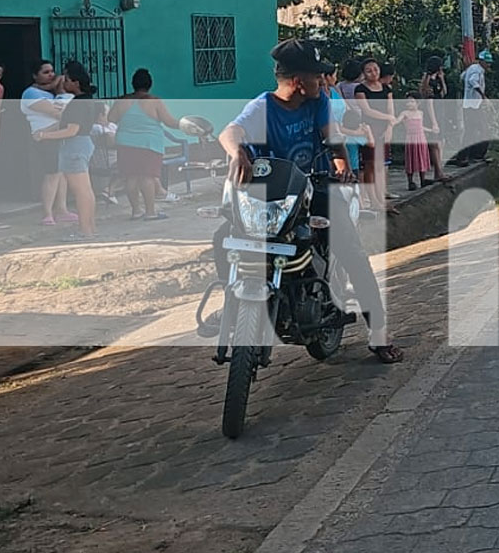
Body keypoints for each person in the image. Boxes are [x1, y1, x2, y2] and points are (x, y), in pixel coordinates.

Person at [215, 39, 403, 364]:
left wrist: (341, 160)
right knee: (222, 238)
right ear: (300, 82)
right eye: (317, 76)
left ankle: (379, 333)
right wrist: (237, 153)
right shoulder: (263, 106)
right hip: (269, 197)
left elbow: (331, 138)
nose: (323, 81)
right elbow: (229, 132)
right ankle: (232, 303)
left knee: (352, 251)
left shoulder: (318, 102)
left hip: (313, 189)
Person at [36, 62, 104, 239]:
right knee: (86, 189)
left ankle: (84, 230)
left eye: (66, 79)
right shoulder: (88, 100)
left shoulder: (77, 103)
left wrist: (44, 135)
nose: (62, 82)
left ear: (75, 82)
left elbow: (71, 130)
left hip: (74, 146)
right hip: (83, 144)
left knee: (80, 191)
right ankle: (91, 227)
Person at [113, 68, 180, 221]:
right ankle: (151, 212)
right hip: (148, 144)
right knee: (148, 177)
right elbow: (169, 121)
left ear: (133, 84)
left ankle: (136, 211)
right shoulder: (153, 101)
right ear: (150, 84)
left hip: (125, 143)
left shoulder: (122, 101)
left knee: (131, 177)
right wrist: (186, 125)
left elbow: (111, 118)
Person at [21, 60, 74, 226]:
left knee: (61, 173)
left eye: (52, 71)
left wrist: (60, 93)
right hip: (44, 137)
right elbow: (57, 113)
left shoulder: (52, 94)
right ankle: (47, 213)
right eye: (45, 72)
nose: (51, 75)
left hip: (57, 135)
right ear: (35, 75)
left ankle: (62, 209)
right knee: (52, 173)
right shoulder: (31, 94)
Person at [354, 58, 398, 203]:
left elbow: (391, 108)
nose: (373, 73)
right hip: (369, 130)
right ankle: (373, 199)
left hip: (384, 129)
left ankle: (381, 196)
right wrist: (388, 118)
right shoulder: (360, 89)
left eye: (375, 69)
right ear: (363, 73)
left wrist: (390, 126)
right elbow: (367, 110)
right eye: (369, 70)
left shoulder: (386, 88)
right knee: (370, 164)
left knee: (381, 165)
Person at [459, 50, 491, 164]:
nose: (489, 65)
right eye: (487, 62)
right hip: (473, 105)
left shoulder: (472, 68)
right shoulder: (477, 70)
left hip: (470, 104)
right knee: (482, 130)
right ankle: (475, 155)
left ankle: (467, 155)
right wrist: (482, 95)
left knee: (472, 130)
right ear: (481, 61)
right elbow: (473, 81)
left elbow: (462, 77)